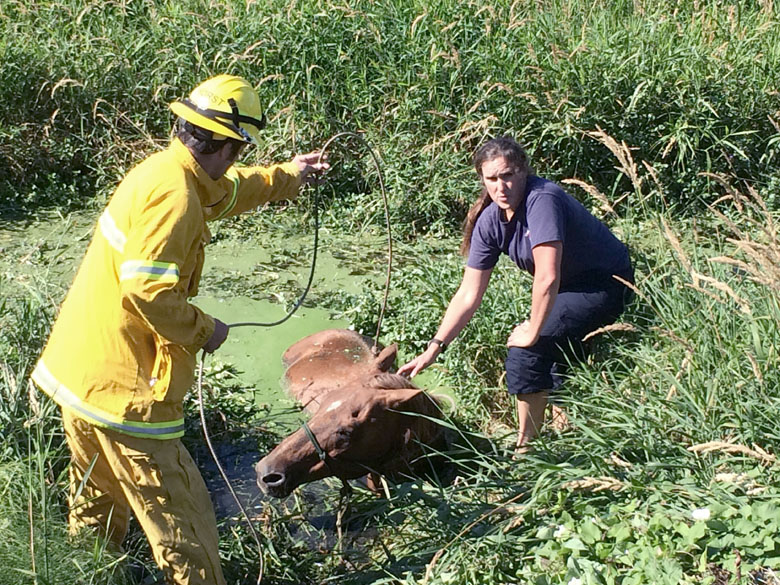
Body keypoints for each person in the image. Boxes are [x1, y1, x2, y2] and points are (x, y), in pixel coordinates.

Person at [31, 74, 329, 585]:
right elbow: (146, 292)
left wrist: (288, 175)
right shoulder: (176, 197)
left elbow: (225, 192)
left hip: (79, 376)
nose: (235, 161)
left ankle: (92, 575)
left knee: (96, 508)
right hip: (125, 392)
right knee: (185, 533)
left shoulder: (167, 172)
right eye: (236, 150)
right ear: (225, 144)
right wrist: (203, 329)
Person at [398, 136, 633, 450]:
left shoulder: (542, 199)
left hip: (605, 283)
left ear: (523, 171)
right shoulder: (490, 222)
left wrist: (532, 331)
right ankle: (563, 430)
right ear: (482, 180)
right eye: (492, 179)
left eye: (508, 175)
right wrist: (435, 347)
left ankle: (526, 450)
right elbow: (469, 292)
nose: (501, 186)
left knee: (527, 351)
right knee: (549, 346)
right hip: (566, 287)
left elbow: (547, 277)